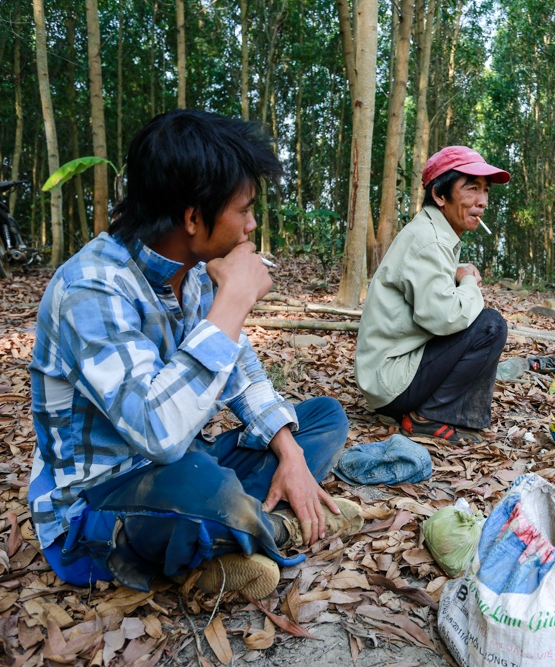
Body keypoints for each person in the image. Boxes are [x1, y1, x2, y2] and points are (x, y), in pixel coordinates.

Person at [28, 110, 362, 600]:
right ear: (191, 218)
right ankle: (276, 527)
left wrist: (291, 455)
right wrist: (235, 300)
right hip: (102, 504)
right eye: (243, 210)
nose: (251, 225)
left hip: (189, 462)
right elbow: (156, 434)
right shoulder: (91, 288)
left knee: (321, 418)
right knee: (196, 486)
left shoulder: (200, 275)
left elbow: (246, 380)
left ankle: (228, 535)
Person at [355, 146, 510, 443]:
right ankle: (427, 416)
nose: (482, 201)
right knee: (490, 326)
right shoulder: (430, 241)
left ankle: (449, 411)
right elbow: (444, 318)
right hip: (391, 384)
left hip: (389, 375)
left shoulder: (433, 232)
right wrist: (468, 283)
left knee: (482, 322)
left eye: (486, 190)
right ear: (439, 195)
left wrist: (458, 274)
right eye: (472, 188)